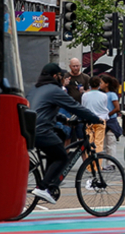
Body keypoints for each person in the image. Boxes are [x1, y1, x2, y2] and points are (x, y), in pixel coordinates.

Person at [26, 63, 106, 204]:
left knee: (55, 149)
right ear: (55, 76)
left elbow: (46, 111)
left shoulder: (35, 89)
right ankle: (43, 187)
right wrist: (95, 118)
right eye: (61, 76)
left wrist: (66, 120)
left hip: (30, 130)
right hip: (42, 131)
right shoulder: (54, 90)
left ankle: (48, 185)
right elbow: (75, 106)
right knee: (63, 157)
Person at [81, 76, 111, 172]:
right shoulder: (104, 96)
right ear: (99, 85)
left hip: (89, 121)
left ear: (89, 84)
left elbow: (83, 107)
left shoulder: (85, 95)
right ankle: (97, 165)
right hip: (101, 120)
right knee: (99, 143)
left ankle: (89, 166)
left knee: (89, 143)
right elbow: (104, 106)